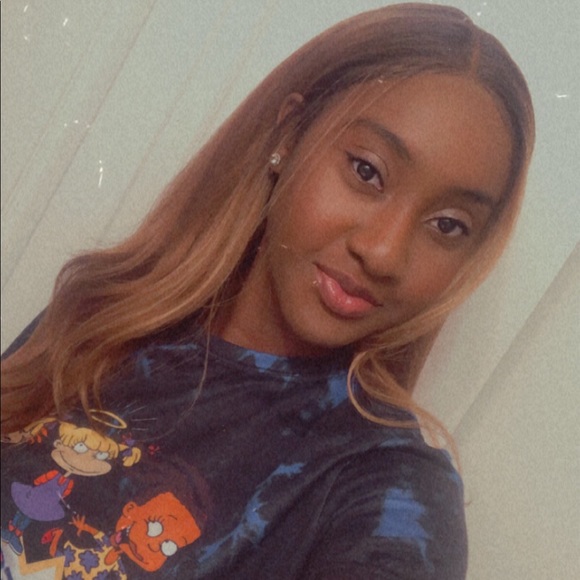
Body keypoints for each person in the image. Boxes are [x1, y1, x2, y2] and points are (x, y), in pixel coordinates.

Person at [1, 3, 534, 579]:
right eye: (367, 171)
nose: (385, 252)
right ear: (289, 134)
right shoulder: (107, 309)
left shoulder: (387, 488)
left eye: (448, 225)